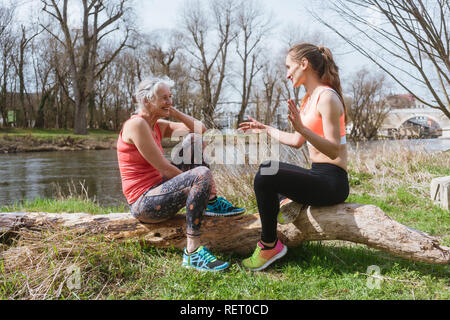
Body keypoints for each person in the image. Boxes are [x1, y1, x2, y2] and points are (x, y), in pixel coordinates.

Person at [238, 43, 350, 271]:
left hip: (333, 182)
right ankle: (288, 200)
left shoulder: (327, 97)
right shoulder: (308, 99)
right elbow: (297, 141)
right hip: (317, 174)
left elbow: (333, 150)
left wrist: (303, 128)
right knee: (268, 169)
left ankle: (269, 245)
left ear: (304, 64)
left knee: (266, 175)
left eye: (289, 67)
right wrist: (266, 128)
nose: (287, 73)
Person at [117, 76, 244, 272]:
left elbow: (200, 129)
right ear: (147, 100)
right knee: (200, 174)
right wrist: (200, 183)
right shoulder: (137, 125)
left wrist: (172, 111)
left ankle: (210, 203)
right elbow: (164, 169)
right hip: (144, 203)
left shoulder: (156, 125)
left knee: (193, 140)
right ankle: (193, 252)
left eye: (170, 97)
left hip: (159, 189)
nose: (170, 101)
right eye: (164, 98)